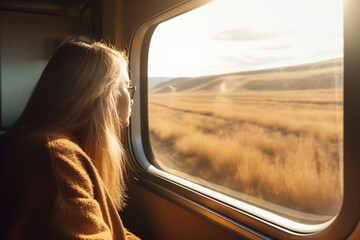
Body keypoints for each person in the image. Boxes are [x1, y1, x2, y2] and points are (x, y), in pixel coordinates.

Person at [0, 38, 140, 240]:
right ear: (105, 95)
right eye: (126, 86)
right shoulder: (54, 158)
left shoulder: (51, 148)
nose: (131, 97)